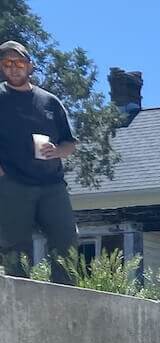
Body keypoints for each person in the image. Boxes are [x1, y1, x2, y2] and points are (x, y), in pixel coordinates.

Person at [0, 40, 79, 284]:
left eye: (19, 62)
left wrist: (57, 151)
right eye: (7, 63)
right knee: (15, 247)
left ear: (30, 66)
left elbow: (70, 143)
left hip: (52, 185)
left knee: (66, 240)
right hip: (13, 184)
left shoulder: (49, 101)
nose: (14, 68)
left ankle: (65, 296)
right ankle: (19, 300)